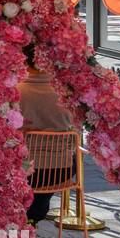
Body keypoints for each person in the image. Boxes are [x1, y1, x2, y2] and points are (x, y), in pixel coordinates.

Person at [17, 44, 76, 223]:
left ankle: (30, 215)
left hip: (25, 168)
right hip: (61, 169)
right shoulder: (66, 91)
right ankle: (35, 214)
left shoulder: (16, 90)